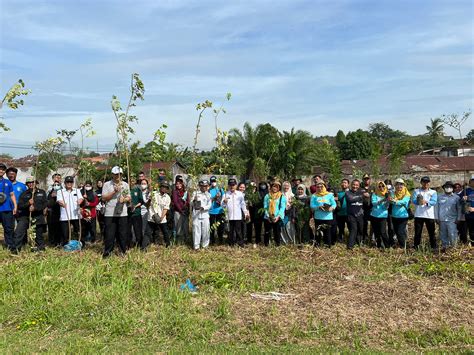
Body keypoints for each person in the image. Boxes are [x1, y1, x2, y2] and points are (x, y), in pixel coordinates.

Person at [101, 166, 131, 258]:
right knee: (110, 234)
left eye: (119, 174)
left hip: (122, 213)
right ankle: (108, 253)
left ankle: (122, 251)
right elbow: (104, 198)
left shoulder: (125, 185)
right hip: (110, 213)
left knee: (122, 234)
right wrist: (114, 191)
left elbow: (129, 197)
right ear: (112, 175)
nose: (118, 176)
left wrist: (124, 199)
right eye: (116, 174)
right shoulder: (107, 184)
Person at [13, 177, 48, 252]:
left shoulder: (42, 192)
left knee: (38, 235)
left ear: (36, 183)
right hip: (25, 216)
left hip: (38, 216)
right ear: (27, 184)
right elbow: (20, 206)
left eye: (33, 182)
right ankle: (16, 248)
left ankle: (40, 248)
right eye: (29, 183)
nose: (31, 184)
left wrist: (35, 208)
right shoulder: (24, 194)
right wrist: (28, 203)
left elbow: (44, 204)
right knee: (18, 232)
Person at [56, 176, 83, 246]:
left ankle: (80, 244)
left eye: (71, 182)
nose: (69, 183)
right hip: (65, 216)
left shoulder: (77, 190)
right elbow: (59, 200)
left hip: (76, 215)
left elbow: (81, 198)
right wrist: (62, 203)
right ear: (65, 183)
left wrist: (80, 201)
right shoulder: (60, 191)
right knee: (65, 233)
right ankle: (65, 245)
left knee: (78, 231)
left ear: (73, 183)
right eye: (67, 182)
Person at [412, 176, 438, 250]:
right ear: (421, 183)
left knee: (431, 233)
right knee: (417, 233)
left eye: (427, 182)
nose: (425, 183)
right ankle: (416, 247)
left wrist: (426, 202)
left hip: (429, 215)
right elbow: (413, 200)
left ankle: (434, 247)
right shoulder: (416, 191)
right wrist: (418, 201)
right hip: (418, 215)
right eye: (424, 182)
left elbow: (434, 201)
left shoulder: (433, 192)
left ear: (429, 183)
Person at [222, 178, 248, 247]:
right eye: (230, 185)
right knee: (230, 231)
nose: (232, 186)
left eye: (233, 185)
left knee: (238, 231)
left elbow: (243, 204)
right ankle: (231, 244)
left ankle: (240, 243)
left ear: (236, 185)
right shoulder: (225, 194)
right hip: (229, 216)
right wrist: (224, 202)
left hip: (237, 216)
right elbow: (222, 206)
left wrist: (245, 212)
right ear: (228, 186)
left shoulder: (239, 194)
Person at [436, 181, 462, 250]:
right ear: (444, 188)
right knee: (443, 234)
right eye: (446, 187)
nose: (448, 188)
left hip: (452, 219)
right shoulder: (439, 197)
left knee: (452, 233)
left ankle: (454, 247)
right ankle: (445, 247)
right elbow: (436, 208)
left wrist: (458, 218)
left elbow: (459, 209)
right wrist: (436, 218)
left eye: (450, 187)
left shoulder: (456, 198)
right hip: (442, 219)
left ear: (453, 188)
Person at [310, 181, 336, 246]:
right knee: (318, 232)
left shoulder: (330, 195)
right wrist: (318, 207)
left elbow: (334, 204)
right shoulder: (314, 196)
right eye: (318, 187)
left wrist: (331, 208)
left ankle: (327, 245)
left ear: (324, 187)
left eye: (321, 187)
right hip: (318, 217)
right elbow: (312, 206)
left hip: (328, 217)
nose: (320, 188)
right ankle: (317, 245)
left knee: (327, 232)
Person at [146, 181, 171, 248]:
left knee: (165, 232)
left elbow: (165, 209)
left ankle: (168, 245)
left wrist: (161, 218)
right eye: (163, 186)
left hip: (162, 218)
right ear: (160, 187)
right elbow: (147, 205)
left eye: (166, 187)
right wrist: (149, 199)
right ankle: (144, 247)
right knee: (148, 233)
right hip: (152, 217)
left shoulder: (167, 197)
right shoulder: (153, 194)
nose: (164, 188)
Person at [7, 167, 27, 244]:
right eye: (9, 174)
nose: (11, 175)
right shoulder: (5, 185)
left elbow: (26, 196)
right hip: (9, 210)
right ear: (7, 175)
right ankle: (12, 243)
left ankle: (23, 242)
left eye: (13, 174)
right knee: (10, 227)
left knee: (22, 227)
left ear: (16, 174)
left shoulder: (22, 186)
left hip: (20, 210)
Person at [389, 178, 411, 248]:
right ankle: (402, 244)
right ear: (395, 186)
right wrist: (396, 201)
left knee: (400, 231)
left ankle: (403, 246)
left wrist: (396, 201)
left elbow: (404, 201)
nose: (399, 186)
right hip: (394, 215)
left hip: (403, 216)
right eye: (397, 184)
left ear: (404, 185)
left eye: (401, 184)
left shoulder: (406, 193)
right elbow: (391, 201)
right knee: (396, 231)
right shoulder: (393, 193)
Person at [345, 179, 367, 249]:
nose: (355, 186)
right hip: (351, 215)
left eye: (357, 185)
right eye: (354, 185)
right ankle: (350, 246)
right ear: (351, 185)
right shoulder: (348, 193)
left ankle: (359, 243)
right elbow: (351, 199)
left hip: (360, 215)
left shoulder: (361, 192)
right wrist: (362, 196)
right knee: (353, 229)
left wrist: (368, 196)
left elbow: (367, 203)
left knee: (360, 229)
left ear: (359, 186)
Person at [263, 181, 287, 246]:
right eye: (274, 186)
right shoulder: (267, 196)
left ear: (279, 188)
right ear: (271, 187)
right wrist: (268, 216)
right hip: (268, 217)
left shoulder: (281, 197)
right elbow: (265, 207)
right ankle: (266, 244)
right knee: (267, 231)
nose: (275, 188)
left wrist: (278, 216)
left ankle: (277, 244)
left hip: (277, 217)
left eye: (277, 187)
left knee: (277, 232)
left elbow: (282, 208)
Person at [191, 179, 212, 250]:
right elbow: (191, 203)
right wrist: (194, 200)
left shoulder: (208, 194)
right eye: (202, 186)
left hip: (205, 215)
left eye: (206, 186)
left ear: (207, 186)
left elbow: (209, 205)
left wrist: (204, 208)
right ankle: (196, 246)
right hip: (196, 215)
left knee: (206, 231)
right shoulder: (195, 193)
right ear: (200, 186)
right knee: (196, 231)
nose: (204, 187)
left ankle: (205, 246)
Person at [370, 181, 390, 248]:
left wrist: (387, 200)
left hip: (383, 216)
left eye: (383, 186)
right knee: (376, 232)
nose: (381, 187)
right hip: (374, 215)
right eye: (379, 186)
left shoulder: (387, 195)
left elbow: (386, 207)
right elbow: (374, 203)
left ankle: (387, 246)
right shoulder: (374, 194)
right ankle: (378, 245)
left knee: (383, 232)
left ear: (385, 186)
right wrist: (383, 200)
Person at [80, 180, 99, 245]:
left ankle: (93, 240)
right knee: (84, 228)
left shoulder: (94, 193)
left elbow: (96, 202)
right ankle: (84, 240)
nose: (88, 187)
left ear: (91, 186)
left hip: (92, 213)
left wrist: (89, 204)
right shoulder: (81, 193)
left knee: (92, 228)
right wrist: (83, 198)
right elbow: (78, 202)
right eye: (86, 186)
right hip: (83, 214)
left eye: (89, 186)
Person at [171, 175, 189, 243]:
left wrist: (186, 207)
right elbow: (175, 202)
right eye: (177, 183)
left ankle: (186, 240)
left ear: (182, 183)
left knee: (185, 226)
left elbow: (188, 200)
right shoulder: (175, 191)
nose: (178, 185)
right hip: (178, 211)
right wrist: (181, 210)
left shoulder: (185, 191)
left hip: (185, 211)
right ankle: (179, 241)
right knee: (178, 227)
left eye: (180, 183)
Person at [208, 176, 225, 245]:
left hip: (219, 211)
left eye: (214, 181)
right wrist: (214, 198)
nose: (213, 183)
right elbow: (207, 200)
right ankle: (212, 241)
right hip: (211, 211)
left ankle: (220, 240)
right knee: (212, 227)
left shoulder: (220, 189)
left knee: (220, 227)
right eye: (212, 181)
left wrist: (222, 200)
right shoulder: (208, 190)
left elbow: (224, 198)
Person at [130, 177, 145, 248]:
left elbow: (141, 201)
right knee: (128, 230)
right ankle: (129, 244)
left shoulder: (138, 189)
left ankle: (140, 245)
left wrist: (135, 207)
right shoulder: (126, 190)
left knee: (138, 230)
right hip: (128, 213)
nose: (131, 182)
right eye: (130, 180)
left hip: (137, 213)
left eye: (133, 180)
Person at [47, 181, 62, 246]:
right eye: (54, 185)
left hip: (60, 212)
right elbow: (48, 204)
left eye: (57, 184)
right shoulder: (50, 193)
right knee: (51, 228)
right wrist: (52, 197)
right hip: (52, 213)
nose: (56, 186)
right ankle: (52, 241)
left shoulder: (62, 192)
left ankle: (59, 241)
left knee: (60, 228)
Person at [463, 178, 474, 245]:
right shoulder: (465, 191)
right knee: (470, 232)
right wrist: (463, 199)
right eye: (472, 181)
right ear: (469, 183)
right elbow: (461, 202)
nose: (473, 183)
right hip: (469, 216)